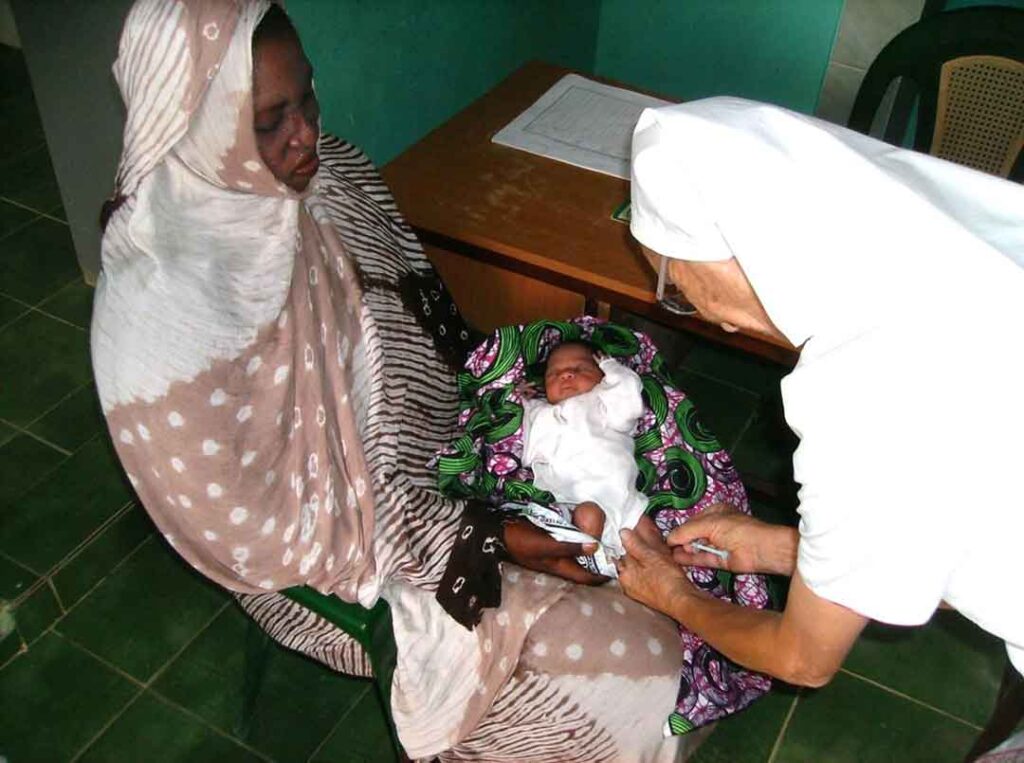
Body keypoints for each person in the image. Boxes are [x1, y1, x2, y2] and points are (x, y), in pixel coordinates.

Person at [93, 1, 707, 759]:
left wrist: (518, 414)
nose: (307, 134)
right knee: (641, 663)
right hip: (353, 568)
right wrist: (492, 537)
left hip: (450, 455)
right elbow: (298, 541)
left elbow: (442, 337)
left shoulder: (334, 178)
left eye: (308, 98)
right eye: (268, 120)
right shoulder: (169, 328)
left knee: (658, 474)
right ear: (194, 127)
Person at [616, 96, 1024, 690]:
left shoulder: (866, 397)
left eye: (671, 282)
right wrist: (786, 550)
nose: (703, 315)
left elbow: (803, 660)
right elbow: (973, 549)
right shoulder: (960, 233)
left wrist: (674, 596)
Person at [521, 340, 651, 576]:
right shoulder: (540, 413)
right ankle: (590, 566)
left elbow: (630, 401)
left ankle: (662, 572)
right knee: (588, 516)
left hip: (622, 497)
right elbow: (522, 449)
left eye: (580, 369)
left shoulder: (603, 400)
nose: (567, 374)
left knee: (649, 532)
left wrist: (613, 368)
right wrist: (522, 400)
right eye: (554, 373)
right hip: (572, 500)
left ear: (602, 378)